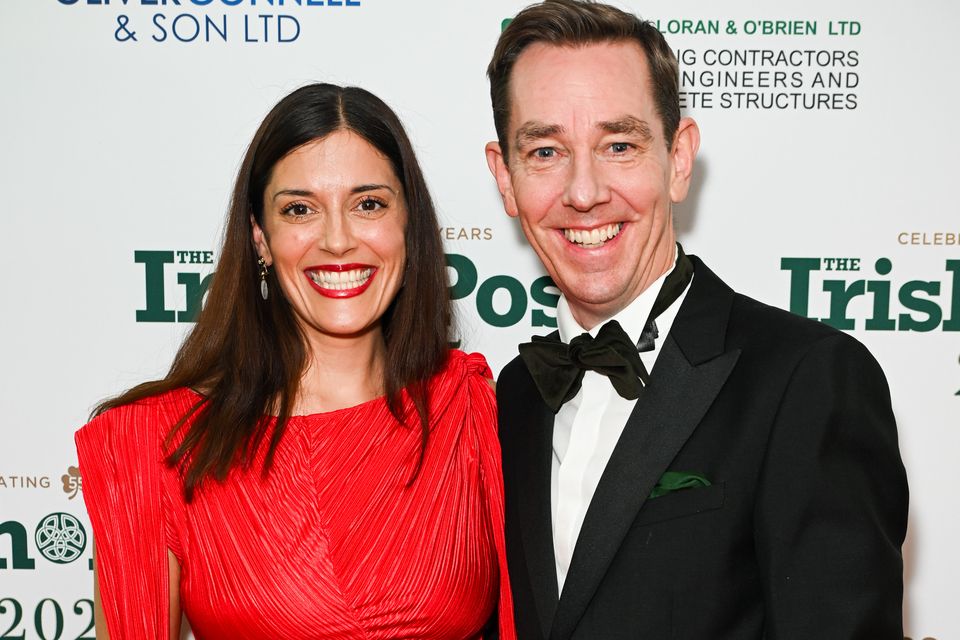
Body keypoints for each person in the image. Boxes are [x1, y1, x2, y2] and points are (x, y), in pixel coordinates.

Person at [483, 1, 908, 638]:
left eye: (619, 145)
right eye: (545, 151)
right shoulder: (515, 392)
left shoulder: (806, 379)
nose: (583, 191)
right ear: (506, 178)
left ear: (678, 158)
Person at [76, 83, 514, 639]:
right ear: (260, 237)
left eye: (369, 204)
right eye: (300, 209)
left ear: (409, 224)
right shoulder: (156, 443)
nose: (337, 240)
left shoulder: (470, 409)